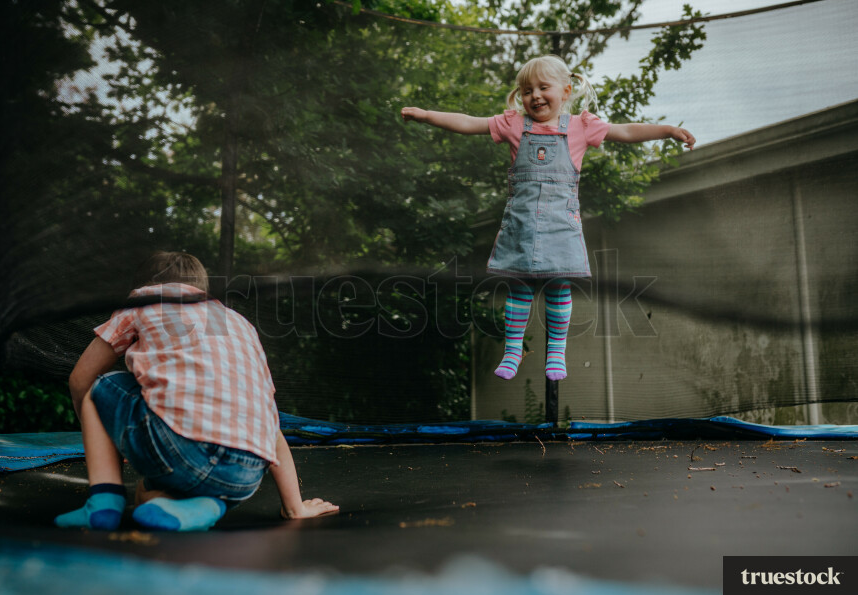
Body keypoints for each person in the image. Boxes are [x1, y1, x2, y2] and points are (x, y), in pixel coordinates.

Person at [402, 55, 695, 381]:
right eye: (527, 90)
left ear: (566, 91)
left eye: (544, 87)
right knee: (518, 289)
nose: (535, 95)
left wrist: (667, 130)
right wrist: (427, 115)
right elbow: (470, 123)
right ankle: (513, 349)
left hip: (560, 226)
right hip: (522, 224)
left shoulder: (582, 127)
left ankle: (556, 350)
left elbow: (625, 131)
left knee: (558, 288)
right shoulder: (513, 124)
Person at [55, 251, 338, 531]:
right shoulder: (238, 323)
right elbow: (269, 419)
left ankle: (104, 503)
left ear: (144, 288)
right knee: (146, 496)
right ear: (202, 289)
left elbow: (80, 380)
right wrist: (295, 507)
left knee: (100, 385)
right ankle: (208, 506)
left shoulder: (143, 302)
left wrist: (105, 437)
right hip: (244, 476)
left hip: (180, 452)